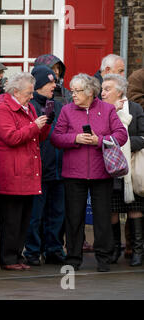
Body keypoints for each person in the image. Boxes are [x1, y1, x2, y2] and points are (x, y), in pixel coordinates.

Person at [51, 73, 128, 272]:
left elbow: (121, 135)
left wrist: (99, 141)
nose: (73, 95)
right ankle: (73, 258)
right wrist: (75, 138)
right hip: (73, 174)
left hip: (101, 173)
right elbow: (56, 138)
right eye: (72, 90)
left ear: (90, 92)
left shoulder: (108, 109)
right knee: (73, 218)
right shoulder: (67, 110)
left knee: (102, 218)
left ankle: (104, 258)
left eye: (77, 91)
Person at [0, 72, 51, 271]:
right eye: (28, 92)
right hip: (11, 172)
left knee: (24, 218)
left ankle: (17, 256)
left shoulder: (28, 107)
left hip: (27, 171)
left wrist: (45, 125)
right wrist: (35, 126)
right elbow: (11, 137)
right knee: (11, 219)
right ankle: (7, 259)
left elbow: (36, 138)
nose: (32, 96)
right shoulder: (2, 110)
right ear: (15, 91)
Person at [24, 66, 65, 266]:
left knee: (57, 214)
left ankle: (54, 250)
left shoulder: (58, 106)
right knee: (35, 215)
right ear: (38, 85)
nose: (54, 86)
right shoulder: (29, 107)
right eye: (50, 82)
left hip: (59, 170)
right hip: (38, 170)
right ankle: (32, 251)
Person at [101, 74, 144, 266]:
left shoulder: (135, 109)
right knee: (112, 210)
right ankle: (114, 249)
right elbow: (99, 134)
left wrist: (123, 144)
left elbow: (143, 136)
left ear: (120, 92)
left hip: (132, 167)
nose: (102, 93)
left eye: (107, 89)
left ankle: (137, 250)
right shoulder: (101, 110)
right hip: (109, 168)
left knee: (135, 209)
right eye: (102, 89)